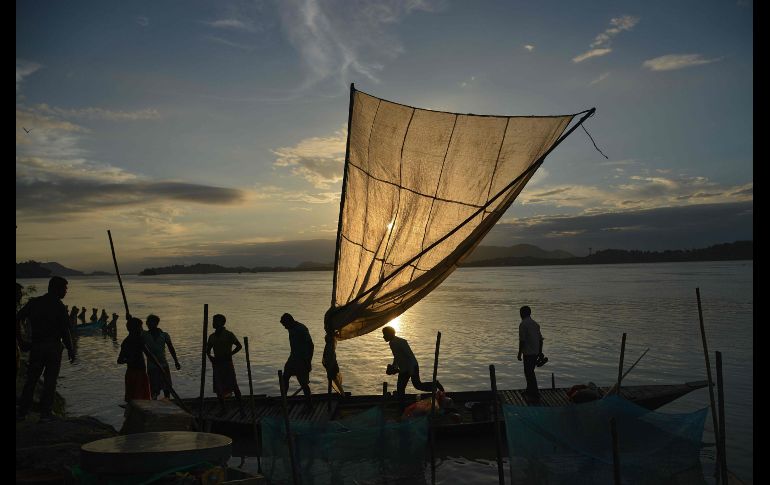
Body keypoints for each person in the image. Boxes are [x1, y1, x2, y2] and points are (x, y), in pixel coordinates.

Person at [16, 276, 76, 420]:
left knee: (32, 380)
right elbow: (65, 331)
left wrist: (21, 341)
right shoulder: (59, 306)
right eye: (64, 288)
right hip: (53, 348)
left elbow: (18, 318)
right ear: (56, 289)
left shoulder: (35, 303)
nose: (66, 291)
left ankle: (23, 411)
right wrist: (71, 349)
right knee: (50, 381)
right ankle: (45, 413)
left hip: (37, 346)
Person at [382, 326, 443, 405]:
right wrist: (394, 367)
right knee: (400, 388)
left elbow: (410, 356)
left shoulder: (401, 342)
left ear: (389, 334)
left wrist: (411, 370)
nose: (383, 336)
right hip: (404, 369)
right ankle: (401, 407)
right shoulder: (392, 343)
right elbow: (397, 356)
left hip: (412, 366)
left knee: (417, 385)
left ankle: (435, 384)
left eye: (384, 334)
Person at [205, 314, 243, 414]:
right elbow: (207, 350)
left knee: (234, 386)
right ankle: (223, 408)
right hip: (217, 364)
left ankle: (241, 408)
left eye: (215, 321)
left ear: (221, 323)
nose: (213, 323)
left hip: (227, 363)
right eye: (213, 321)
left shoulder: (229, 334)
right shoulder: (211, 337)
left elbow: (239, 346)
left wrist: (230, 354)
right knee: (218, 387)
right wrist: (211, 358)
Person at [142, 314, 181, 399]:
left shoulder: (164, 335)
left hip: (163, 365)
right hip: (152, 366)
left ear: (156, 323)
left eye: (150, 323)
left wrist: (176, 361)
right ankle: (155, 405)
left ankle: (168, 403)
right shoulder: (144, 335)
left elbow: (171, 348)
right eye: (147, 323)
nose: (148, 324)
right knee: (153, 389)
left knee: (167, 388)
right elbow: (135, 329)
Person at [279, 313, 314, 409]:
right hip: (293, 358)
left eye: (285, 325)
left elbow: (311, 345)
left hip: (302, 360)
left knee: (303, 383)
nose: (285, 328)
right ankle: (284, 401)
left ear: (290, 321)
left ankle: (309, 405)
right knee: (285, 378)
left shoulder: (301, 329)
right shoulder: (291, 328)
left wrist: (308, 361)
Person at [117, 317, 151, 401]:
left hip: (138, 372)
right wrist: (129, 360)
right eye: (140, 327)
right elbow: (119, 360)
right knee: (139, 398)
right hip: (136, 373)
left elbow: (149, 355)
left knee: (137, 398)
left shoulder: (132, 340)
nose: (142, 329)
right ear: (135, 329)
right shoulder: (133, 341)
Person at [517, 305, 544, 400]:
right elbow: (540, 340)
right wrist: (540, 352)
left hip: (528, 353)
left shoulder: (523, 324)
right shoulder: (535, 324)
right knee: (530, 372)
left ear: (523, 314)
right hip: (535, 351)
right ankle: (529, 390)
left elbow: (522, 341)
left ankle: (535, 393)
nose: (520, 314)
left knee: (529, 373)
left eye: (520, 313)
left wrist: (519, 353)